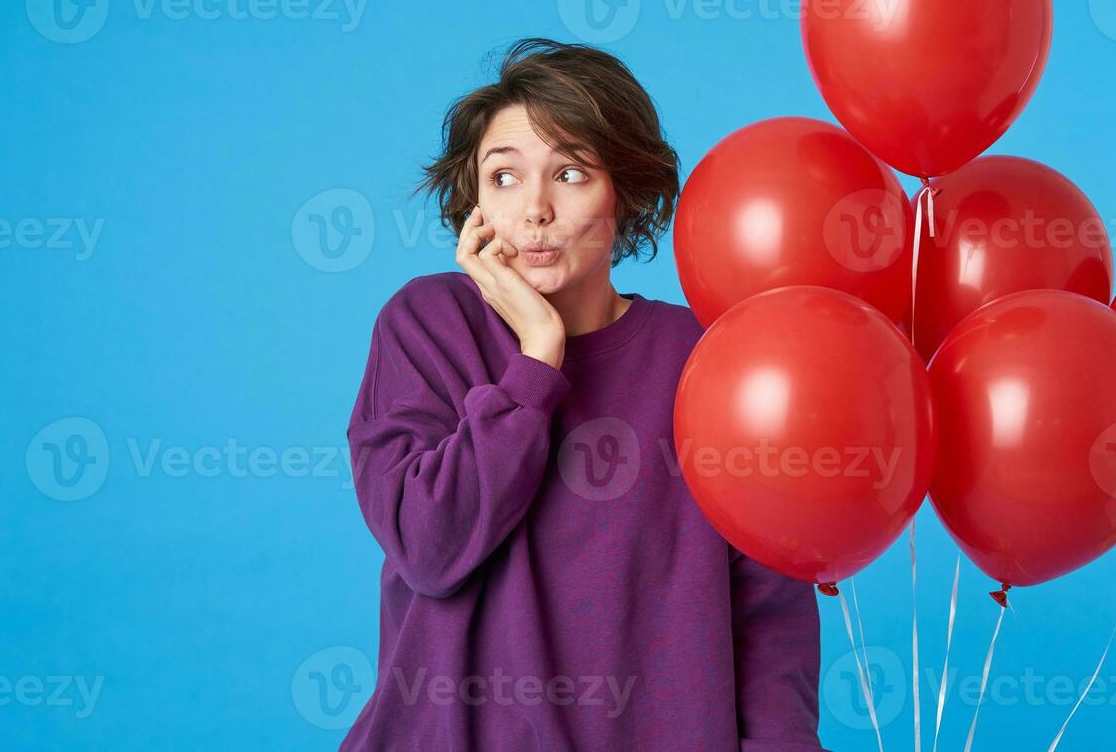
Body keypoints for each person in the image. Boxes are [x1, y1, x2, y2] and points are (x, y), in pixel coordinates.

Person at [342, 39, 826, 750]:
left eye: (569, 172)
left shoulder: (704, 356)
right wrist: (537, 361)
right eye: (503, 177)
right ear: (473, 202)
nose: (534, 209)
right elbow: (430, 546)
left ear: (623, 191)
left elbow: (769, 611)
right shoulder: (426, 326)